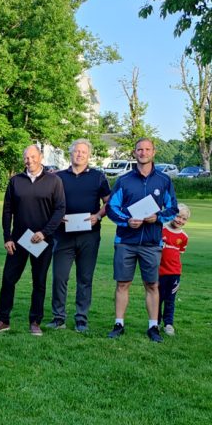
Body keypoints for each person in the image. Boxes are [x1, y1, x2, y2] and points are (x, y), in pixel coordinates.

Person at [106, 137, 178, 342]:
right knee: (122, 284)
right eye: (139, 149)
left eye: (147, 149)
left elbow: (172, 208)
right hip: (126, 241)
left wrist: (158, 218)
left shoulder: (164, 180)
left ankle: (153, 327)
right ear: (134, 152)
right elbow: (111, 208)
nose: (143, 153)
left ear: (153, 152)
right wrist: (127, 221)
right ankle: (119, 324)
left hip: (151, 242)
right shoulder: (124, 180)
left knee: (152, 285)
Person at [0, 145, 65, 336]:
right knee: (8, 279)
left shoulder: (54, 181)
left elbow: (59, 210)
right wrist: (7, 237)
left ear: (40, 157)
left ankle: (35, 322)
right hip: (18, 240)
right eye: (26, 157)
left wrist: (44, 233)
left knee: (39, 282)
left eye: (32, 156)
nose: (29, 160)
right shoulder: (16, 181)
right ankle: (3, 320)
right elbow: (7, 211)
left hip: (42, 241)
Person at [47, 139, 110, 333]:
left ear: (89, 155)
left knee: (85, 278)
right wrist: (57, 217)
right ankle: (58, 318)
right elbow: (48, 202)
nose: (80, 154)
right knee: (60, 277)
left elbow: (109, 202)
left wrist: (98, 216)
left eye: (83, 152)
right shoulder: (58, 177)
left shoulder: (98, 177)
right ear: (71, 153)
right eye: (76, 151)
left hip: (89, 236)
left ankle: (81, 319)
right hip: (63, 235)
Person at [159, 203, 190, 336]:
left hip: (174, 273)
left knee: (170, 299)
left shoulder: (184, 237)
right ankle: (155, 322)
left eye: (184, 218)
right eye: (178, 216)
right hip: (159, 272)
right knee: (158, 298)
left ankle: (168, 324)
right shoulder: (161, 230)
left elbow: (180, 253)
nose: (180, 220)